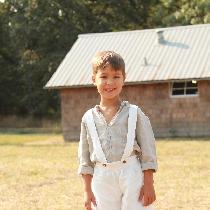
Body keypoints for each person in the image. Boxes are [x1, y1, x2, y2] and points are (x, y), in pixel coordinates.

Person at [78, 51, 158, 210]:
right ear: (94, 79)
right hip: (102, 177)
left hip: (131, 174)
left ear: (124, 79)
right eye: (103, 76)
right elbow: (85, 158)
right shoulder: (88, 118)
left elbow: (148, 151)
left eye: (116, 76)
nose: (110, 82)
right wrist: (87, 190)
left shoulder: (135, 113)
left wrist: (149, 184)